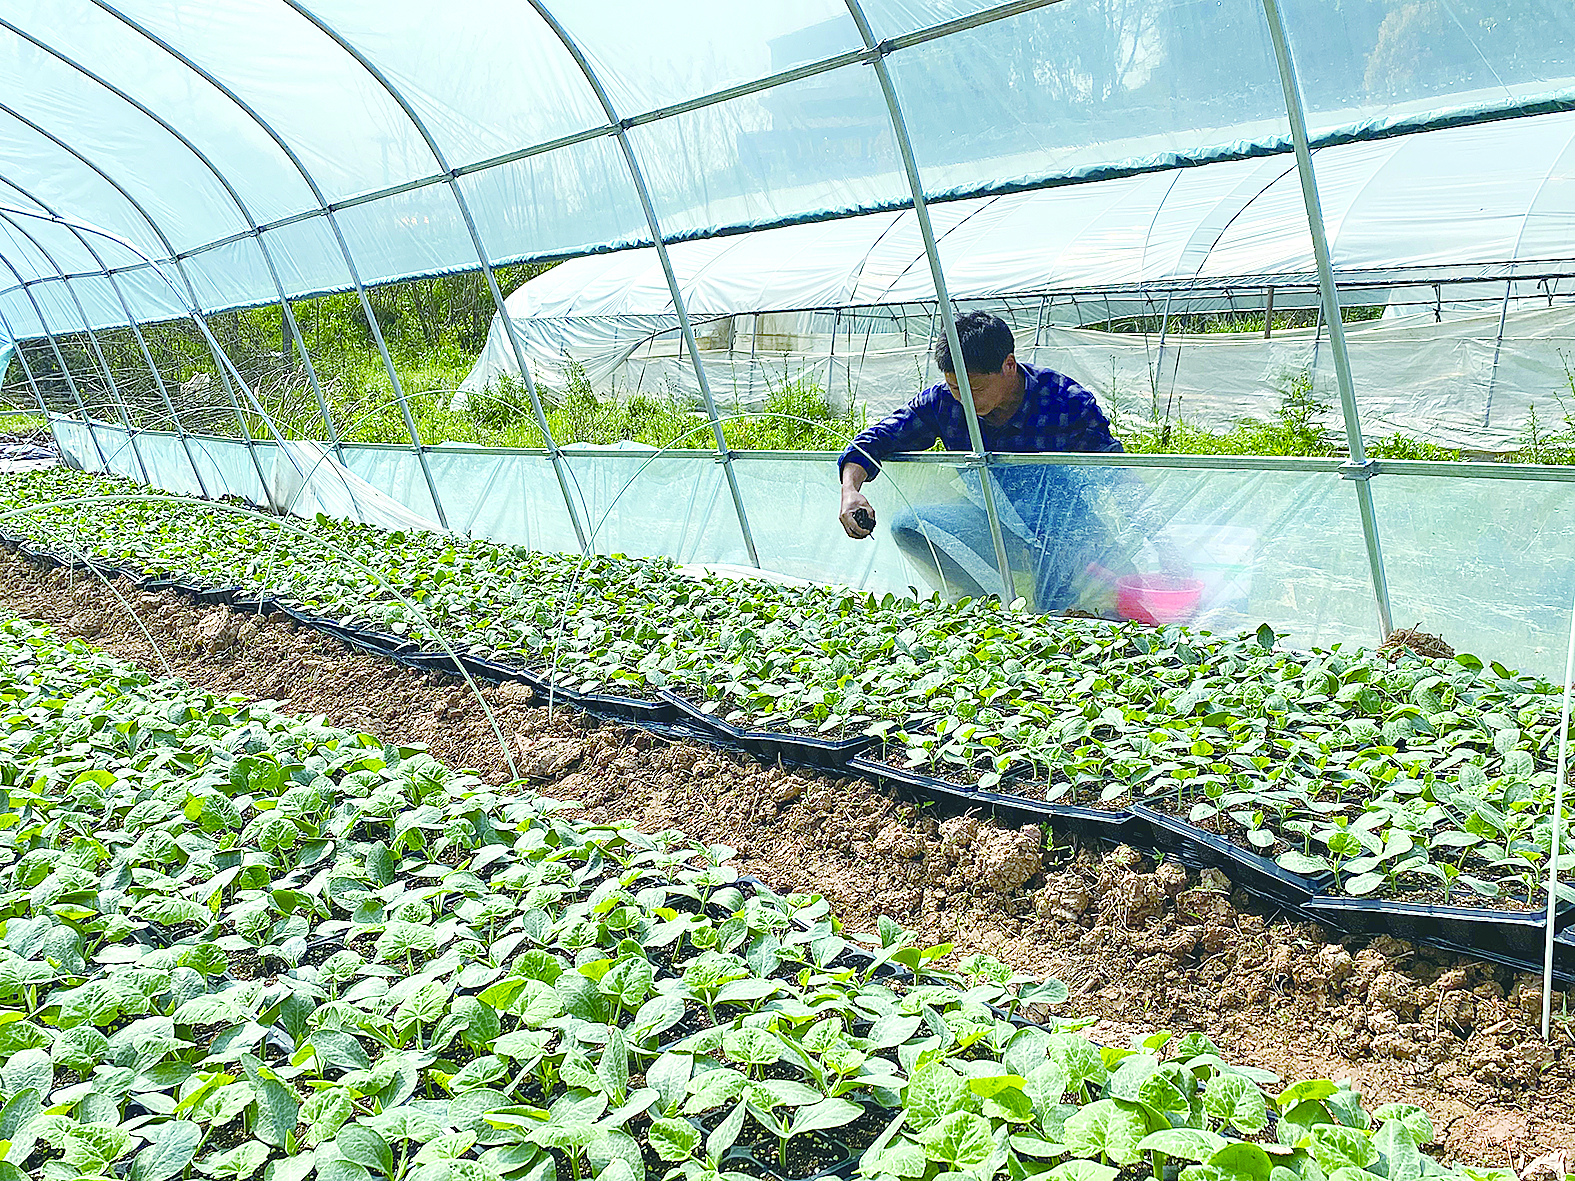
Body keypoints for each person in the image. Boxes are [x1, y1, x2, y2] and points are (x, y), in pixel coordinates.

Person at [836, 311, 1138, 611]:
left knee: (1056, 614)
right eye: (956, 388)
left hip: (1062, 534)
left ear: (1009, 365)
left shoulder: (1064, 402)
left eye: (975, 389)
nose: (964, 400)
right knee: (909, 526)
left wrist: (1149, 539)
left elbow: (1117, 474)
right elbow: (876, 439)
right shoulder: (943, 403)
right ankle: (983, 605)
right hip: (994, 524)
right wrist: (850, 490)